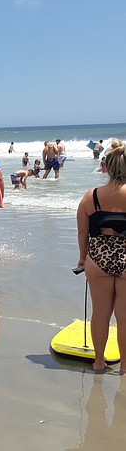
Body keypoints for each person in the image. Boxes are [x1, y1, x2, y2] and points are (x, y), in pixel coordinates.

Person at [76, 139, 126, 373]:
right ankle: (125, 366)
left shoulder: (91, 196)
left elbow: (83, 232)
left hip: (98, 258)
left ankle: (98, 362)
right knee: (124, 317)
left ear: (106, 166)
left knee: (100, 314)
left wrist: (82, 259)